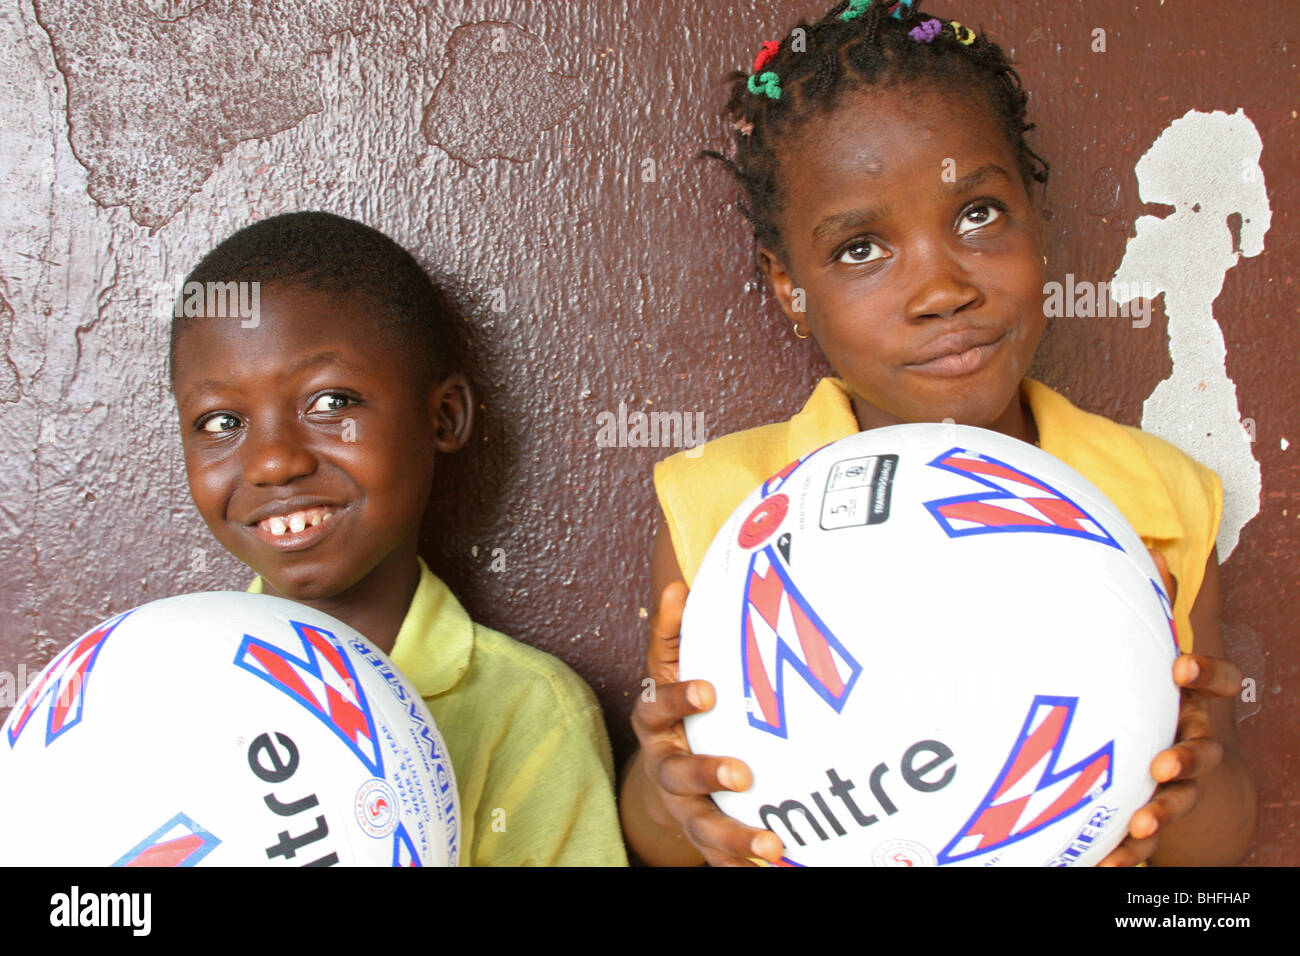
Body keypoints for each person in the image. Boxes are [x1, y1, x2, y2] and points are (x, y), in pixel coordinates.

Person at [619, 0, 1255, 866]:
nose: (941, 288)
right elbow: (669, 840)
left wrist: (1179, 780)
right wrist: (672, 789)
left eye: (978, 215)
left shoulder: (1159, 497)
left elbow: (1212, 851)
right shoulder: (725, 511)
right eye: (860, 249)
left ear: (1036, 218)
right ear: (787, 287)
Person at [170, 211, 626, 866]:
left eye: (330, 403)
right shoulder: (166, 690)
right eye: (220, 420)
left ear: (442, 417)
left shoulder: (527, 715)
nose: (272, 462)